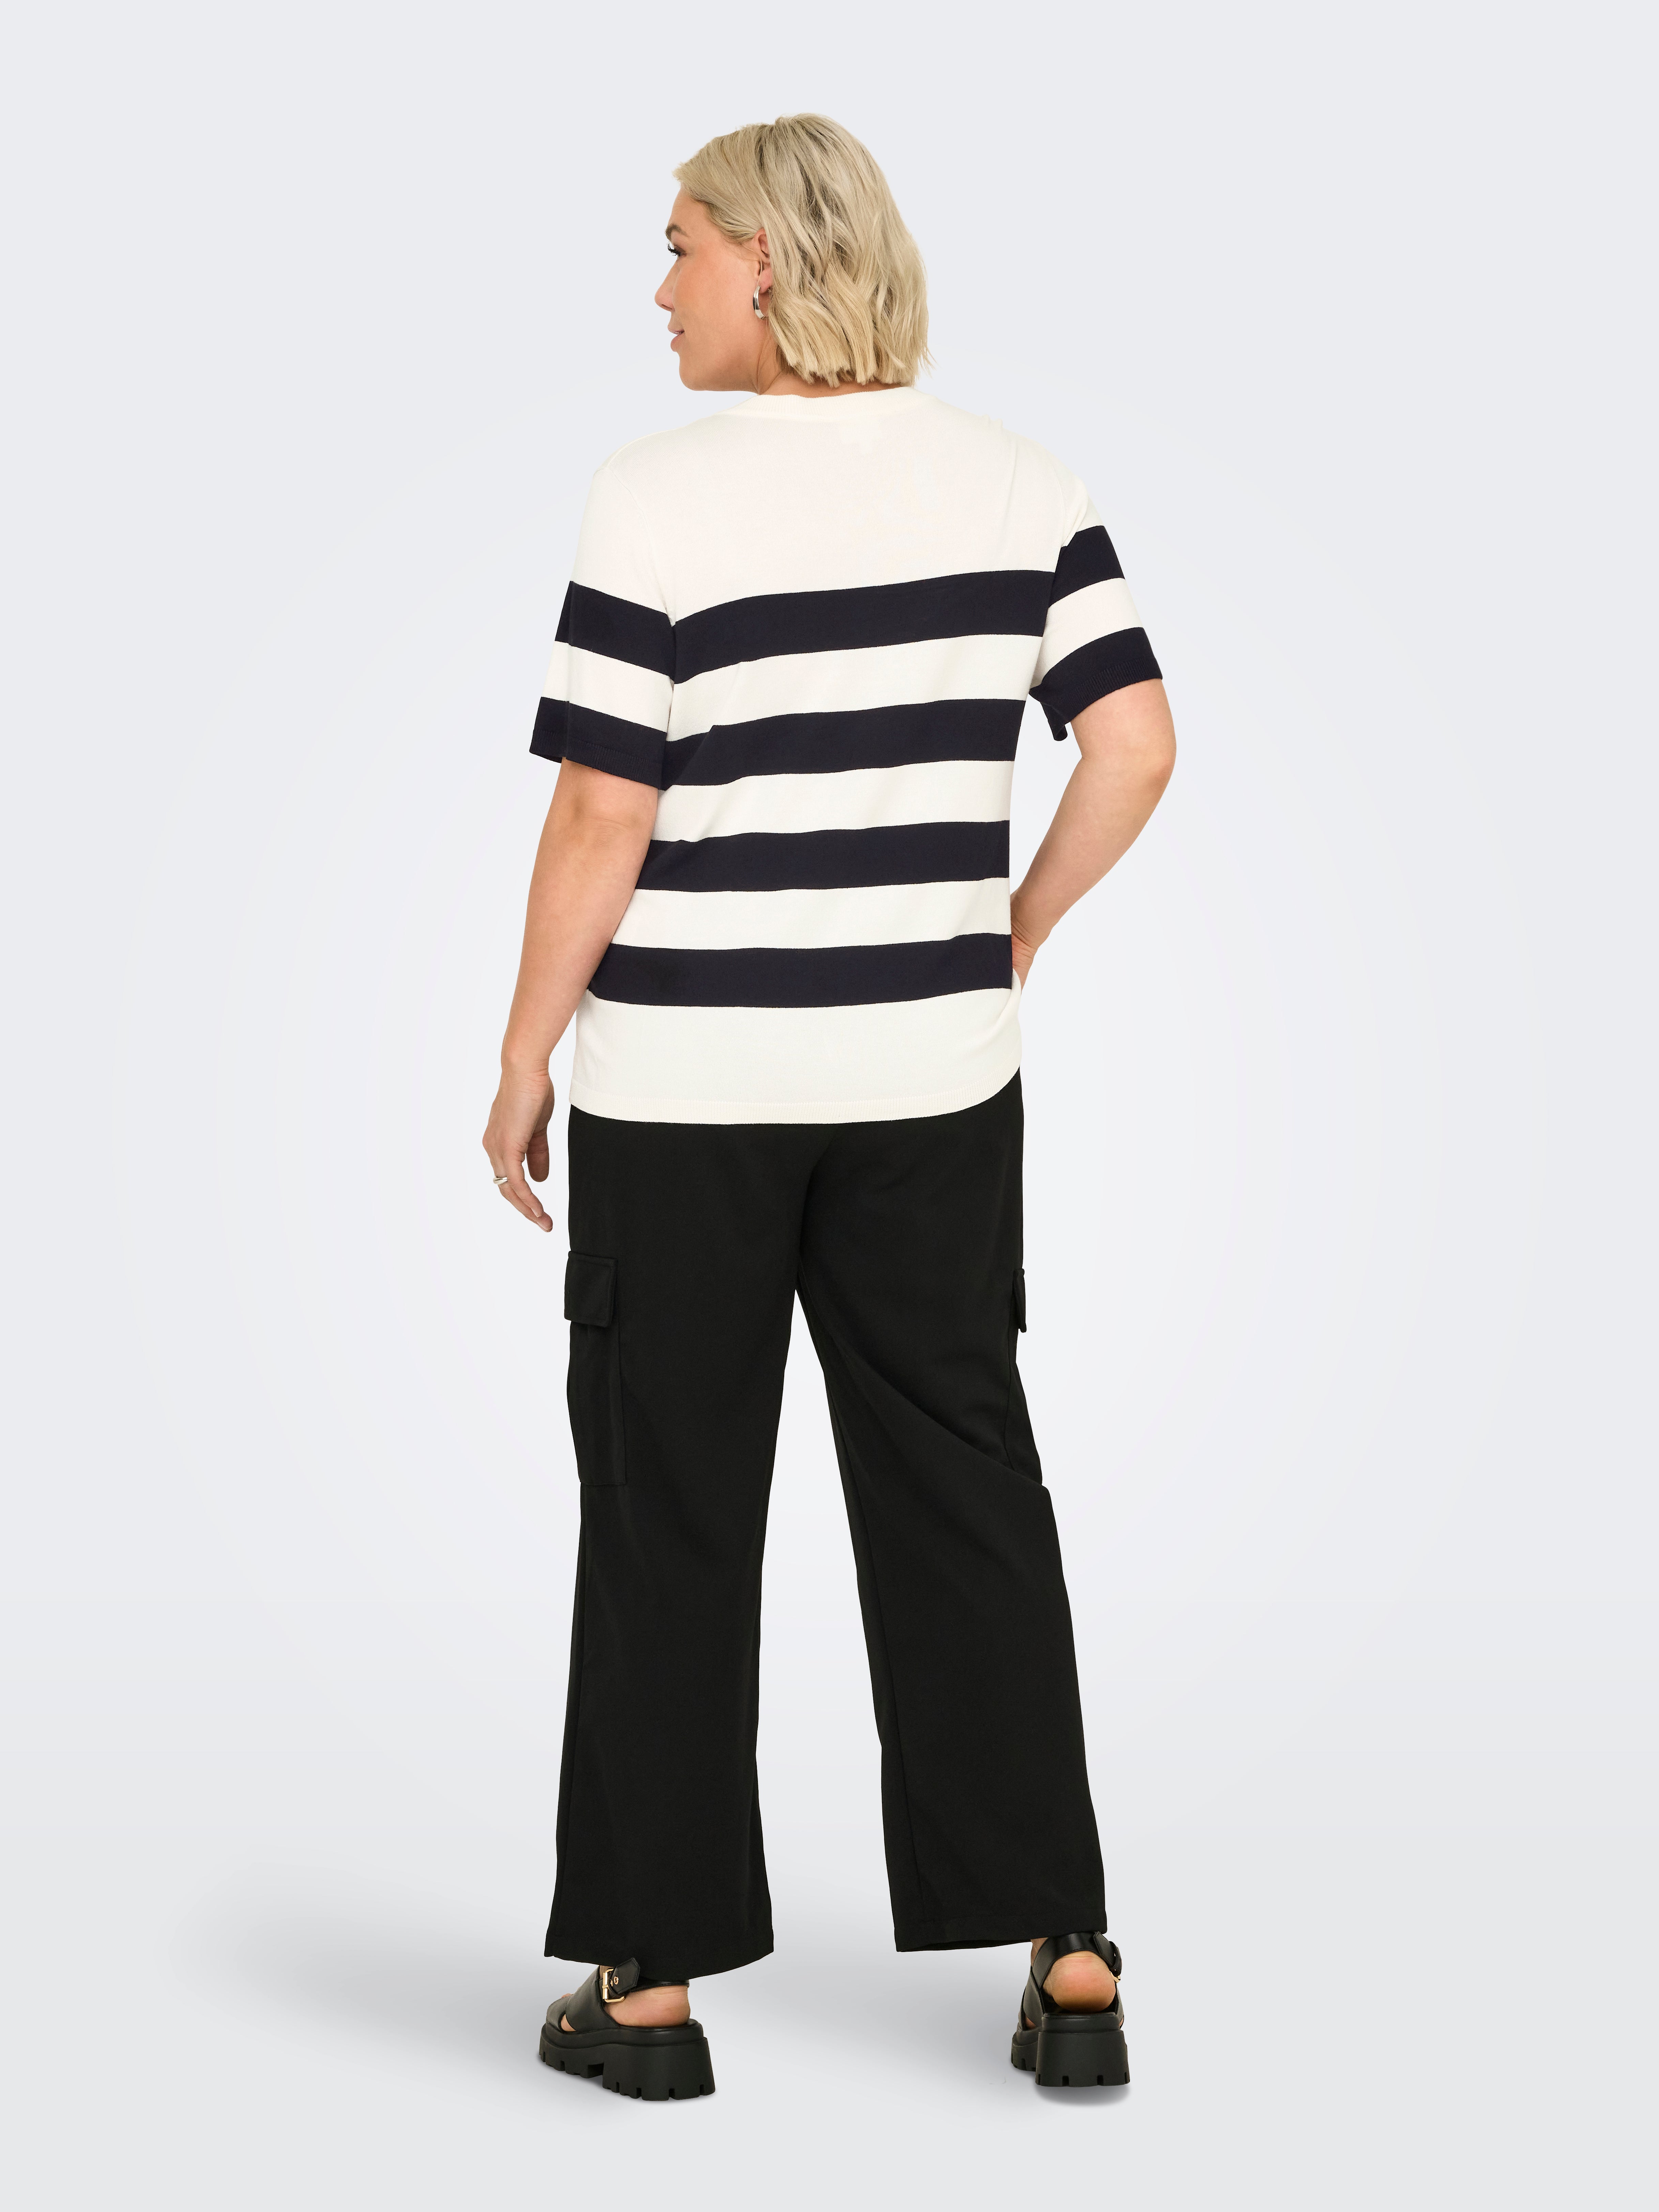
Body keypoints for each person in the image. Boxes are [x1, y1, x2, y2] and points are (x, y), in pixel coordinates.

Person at [482, 113, 1175, 2100]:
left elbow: (604, 806)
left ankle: (648, 1993)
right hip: (931, 1087)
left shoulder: (653, 498)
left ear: (770, 265)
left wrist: (523, 1056)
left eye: (681, 245)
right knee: (963, 1487)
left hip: (687, 1093)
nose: (660, 287)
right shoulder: (1024, 484)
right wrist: (1010, 930)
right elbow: (1135, 743)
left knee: (673, 1512)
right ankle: (1068, 1961)